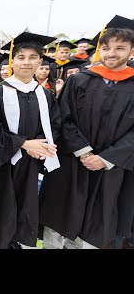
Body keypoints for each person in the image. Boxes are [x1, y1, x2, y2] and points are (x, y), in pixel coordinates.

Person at [39, 15, 134, 249]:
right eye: (106, 48)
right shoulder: (80, 80)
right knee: (61, 219)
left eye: (119, 48)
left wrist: (105, 158)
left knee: (99, 224)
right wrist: (84, 152)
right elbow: (63, 118)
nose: (111, 53)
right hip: (74, 164)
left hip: (113, 169)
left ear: (131, 50)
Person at [0, 32, 61, 249]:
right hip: (3, 163)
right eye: (21, 57)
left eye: (32, 57)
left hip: (31, 163)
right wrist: (24, 144)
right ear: (12, 61)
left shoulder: (45, 95)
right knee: (0, 211)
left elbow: (54, 126)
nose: (26, 62)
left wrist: (41, 148)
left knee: (25, 209)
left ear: (40, 62)